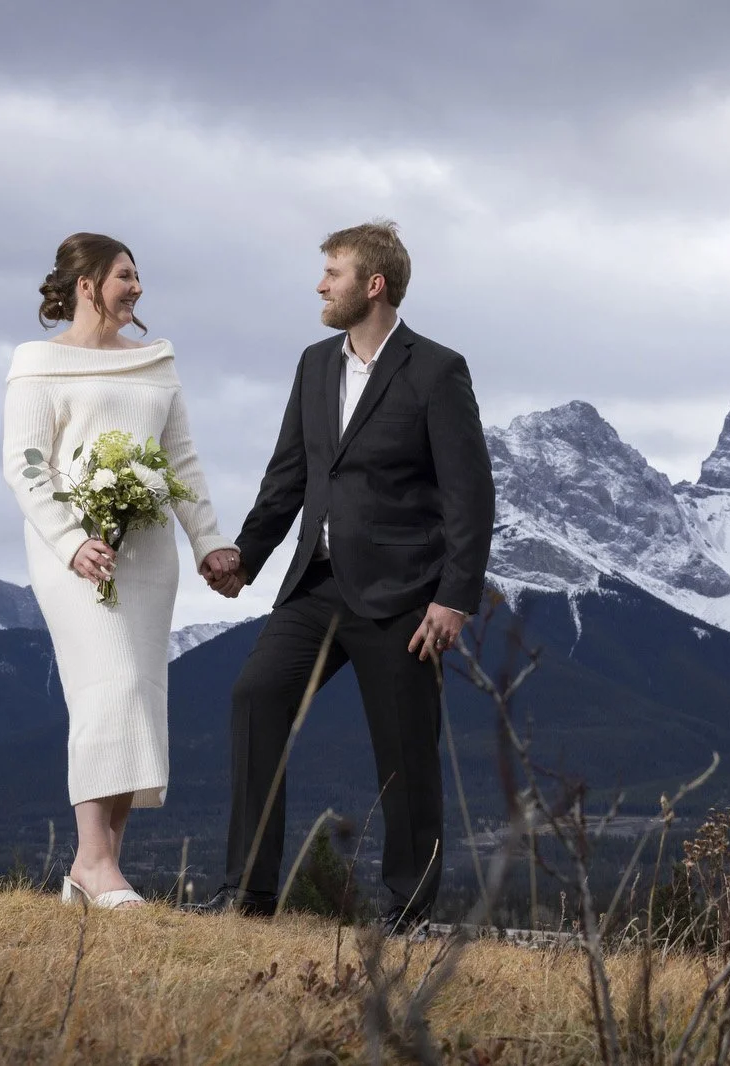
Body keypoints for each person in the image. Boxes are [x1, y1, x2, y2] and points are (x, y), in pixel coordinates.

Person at [195, 220, 495, 935]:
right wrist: (248, 557)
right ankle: (248, 895)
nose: (320, 284)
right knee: (255, 698)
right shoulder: (314, 364)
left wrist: (454, 598)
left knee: (405, 753)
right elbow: (291, 473)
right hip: (316, 585)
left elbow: (470, 494)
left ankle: (409, 911)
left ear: (374, 284)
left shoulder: (436, 369)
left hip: (403, 596)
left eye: (332, 271)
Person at [3, 232, 240, 909]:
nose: (136, 288)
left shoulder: (157, 364)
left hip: (147, 554)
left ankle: (94, 866)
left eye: (138, 277)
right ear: (87, 285)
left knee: (137, 691)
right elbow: (24, 465)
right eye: (125, 276)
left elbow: (182, 464)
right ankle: (98, 863)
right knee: (105, 686)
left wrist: (209, 544)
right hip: (73, 556)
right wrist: (72, 540)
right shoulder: (38, 363)